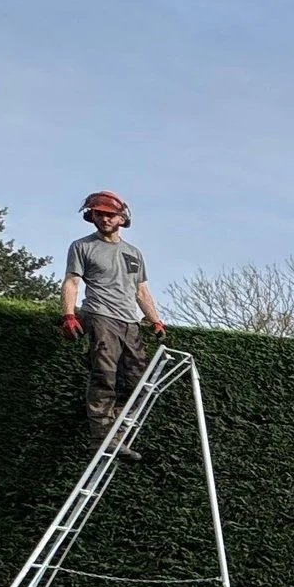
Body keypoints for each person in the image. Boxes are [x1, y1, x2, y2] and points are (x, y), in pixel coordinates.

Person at [60, 190, 166, 443]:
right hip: (100, 315)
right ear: (92, 216)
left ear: (121, 218)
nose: (105, 219)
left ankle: (115, 434)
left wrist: (155, 320)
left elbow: (141, 290)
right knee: (104, 375)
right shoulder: (82, 247)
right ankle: (101, 436)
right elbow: (71, 282)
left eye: (110, 215)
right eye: (99, 215)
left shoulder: (134, 253)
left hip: (130, 321)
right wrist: (68, 315)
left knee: (136, 382)